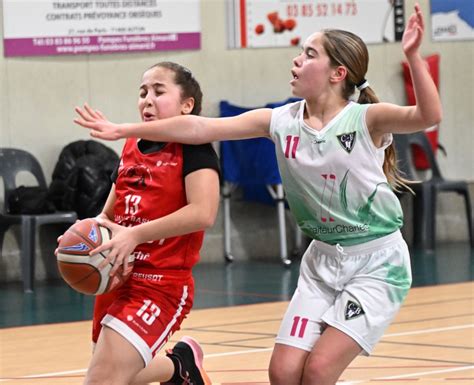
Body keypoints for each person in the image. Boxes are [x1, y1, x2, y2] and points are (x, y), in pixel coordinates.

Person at [74, 4, 441, 384]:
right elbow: (200, 127)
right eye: (299, 52)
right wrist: (123, 129)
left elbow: (427, 116)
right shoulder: (280, 120)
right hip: (324, 260)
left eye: (309, 54)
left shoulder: (365, 119)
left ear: (338, 73)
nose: (296, 60)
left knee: (317, 370)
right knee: (282, 372)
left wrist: (413, 56)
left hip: (376, 263)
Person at [67, 61, 220, 385]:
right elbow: (109, 215)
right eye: (142, 92)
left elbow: (203, 212)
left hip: (160, 283)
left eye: (158, 91)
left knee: (101, 379)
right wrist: (79, 238)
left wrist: (135, 235)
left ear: (187, 104)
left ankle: (182, 367)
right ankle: (181, 368)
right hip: (117, 275)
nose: (147, 99)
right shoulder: (130, 145)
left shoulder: (194, 147)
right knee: (120, 375)